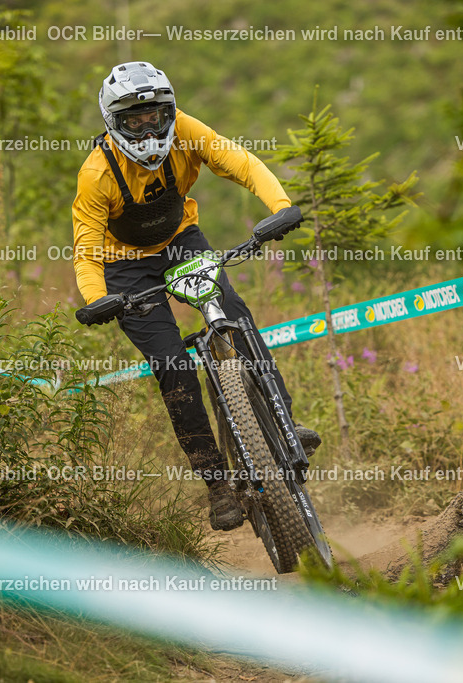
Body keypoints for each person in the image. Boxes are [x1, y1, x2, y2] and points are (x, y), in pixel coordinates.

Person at [71, 61, 320, 531]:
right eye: (133, 120)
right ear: (113, 123)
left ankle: (284, 424)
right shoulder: (97, 173)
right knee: (174, 370)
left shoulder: (185, 130)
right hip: (122, 268)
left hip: (181, 240)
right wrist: (96, 298)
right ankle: (216, 484)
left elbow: (240, 161)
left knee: (235, 314)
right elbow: (86, 250)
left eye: (155, 116)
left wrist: (281, 209)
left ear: (170, 112)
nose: (148, 130)